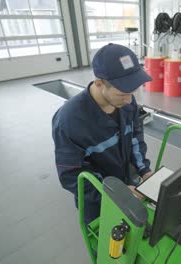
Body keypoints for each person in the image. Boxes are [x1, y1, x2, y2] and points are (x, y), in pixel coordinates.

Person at [52, 43, 152, 225]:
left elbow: (136, 137)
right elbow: (71, 176)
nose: (130, 100)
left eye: (133, 92)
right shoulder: (69, 121)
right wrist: (116, 194)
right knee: (107, 248)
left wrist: (144, 170)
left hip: (126, 180)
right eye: (122, 94)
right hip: (98, 200)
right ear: (99, 84)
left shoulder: (126, 102)